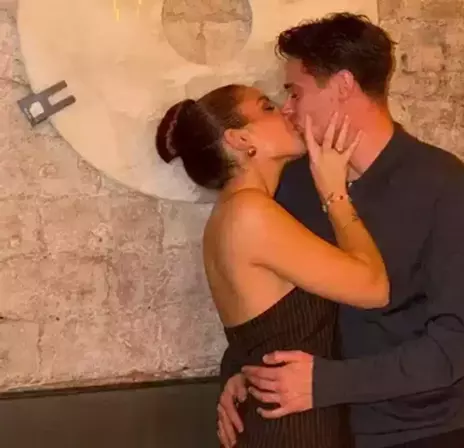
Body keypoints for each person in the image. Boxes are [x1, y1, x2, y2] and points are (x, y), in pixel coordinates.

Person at [217, 12, 464, 448]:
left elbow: (454, 346)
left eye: (295, 92)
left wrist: (327, 383)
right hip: (317, 430)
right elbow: (274, 308)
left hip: (423, 434)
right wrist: (240, 372)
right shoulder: (291, 185)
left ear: (343, 85)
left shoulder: (446, 186)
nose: (287, 110)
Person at [155, 84, 390, 447]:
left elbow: (260, 335)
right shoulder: (251, 214)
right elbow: (374, 288)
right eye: (267, 107)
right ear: (240, 139)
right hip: (293, 430)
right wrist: (335, 194)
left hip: (280, 421)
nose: (286, 110)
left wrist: (238, 375)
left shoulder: (234, 213)